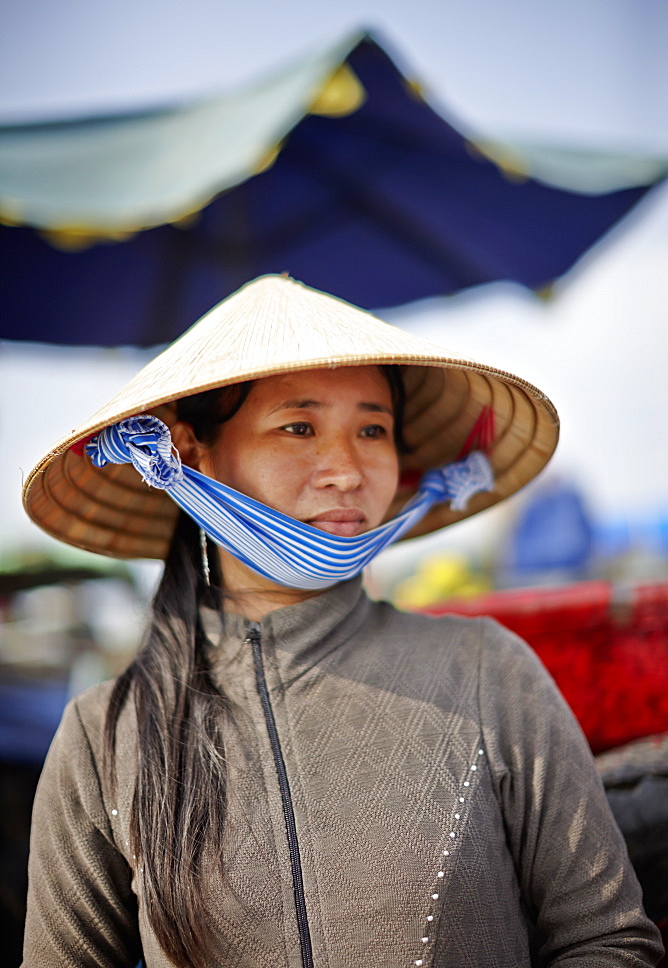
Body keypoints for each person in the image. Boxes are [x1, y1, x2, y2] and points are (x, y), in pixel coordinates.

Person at [21, 275, 663, 968]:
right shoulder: (102, 737)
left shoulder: (488, 670)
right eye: (299, 427)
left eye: (373, 429)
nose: (348, 470)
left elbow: (608, 941)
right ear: (187, 451)